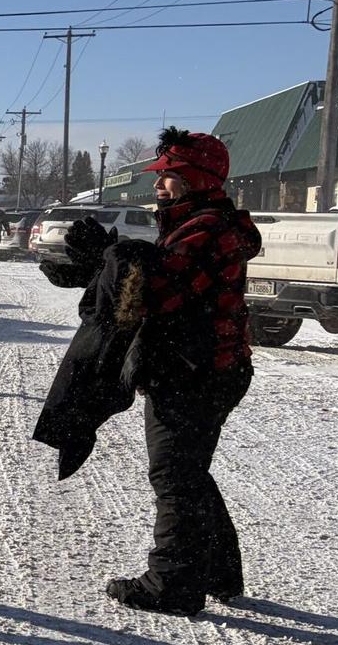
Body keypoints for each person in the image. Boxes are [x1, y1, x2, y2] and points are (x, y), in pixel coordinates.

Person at [36, 128, 260, 618]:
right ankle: (217, 570)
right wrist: (106, 259)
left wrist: (110, 257)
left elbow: (161, 290)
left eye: (169, 177)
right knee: (188, 469)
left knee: (175, 474)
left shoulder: (209, 229)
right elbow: (156, 274)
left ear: (198, 178)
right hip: (198, 366)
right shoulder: (196, 222)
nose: (159, 186)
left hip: (198, 371)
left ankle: (173, 584)